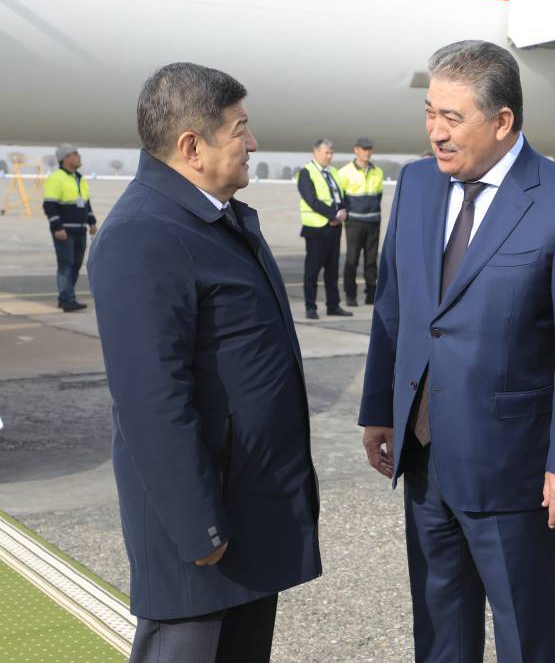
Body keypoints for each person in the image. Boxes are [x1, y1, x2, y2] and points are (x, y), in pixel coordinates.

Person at [359, 40, 555, 662]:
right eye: (430, 114)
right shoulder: (416, 184)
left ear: (502, 121)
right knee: (439, 629)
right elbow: (394, 307)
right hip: (423, 452)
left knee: (525, 633)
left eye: (453, 118)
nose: (436, 133)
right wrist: (379, 409)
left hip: (512, 468)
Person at [87, 62, 321, 663]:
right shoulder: (144, 234)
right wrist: (200, 527)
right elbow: (151, 400)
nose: (253, 143)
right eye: (240, 129)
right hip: (201, 531)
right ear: (192, 146)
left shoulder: (213, 217)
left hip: (244, 510)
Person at [297, 139, 351, 319]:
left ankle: (333, 305)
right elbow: (311, 200)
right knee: (312, 272)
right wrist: (334, 215)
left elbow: (342, 196)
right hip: (316, 229)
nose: (330, 156)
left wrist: (344, 213)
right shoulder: (307, 172)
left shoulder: (334, 172)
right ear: (316, 153)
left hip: (335, 229)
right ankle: (310, 307)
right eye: (326, 152)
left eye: (331, 152)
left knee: (332, 271)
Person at [43, 144, 97, 312]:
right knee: (66, 265)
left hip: (80, 229)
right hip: (64, 230)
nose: (79, 156)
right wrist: (57, 227)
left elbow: (85, 203)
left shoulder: (79, 178)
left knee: (75, 265)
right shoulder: (56, 177)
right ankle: (67, 300)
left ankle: (66, 297)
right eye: (75, 154)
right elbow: (49, 205)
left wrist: (91, 221)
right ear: (65, 158)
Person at [338, 137, 383, 307]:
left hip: (373, 221)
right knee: (352, 259)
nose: (367, 152)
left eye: (369, 149)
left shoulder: (378, 172)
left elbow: (378, 196)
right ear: (356, 150)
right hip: (354, 222)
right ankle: (350, 295)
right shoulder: (344, 172)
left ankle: (371, 294)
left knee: (371, 261)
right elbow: (340, 198)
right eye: (364, 149)